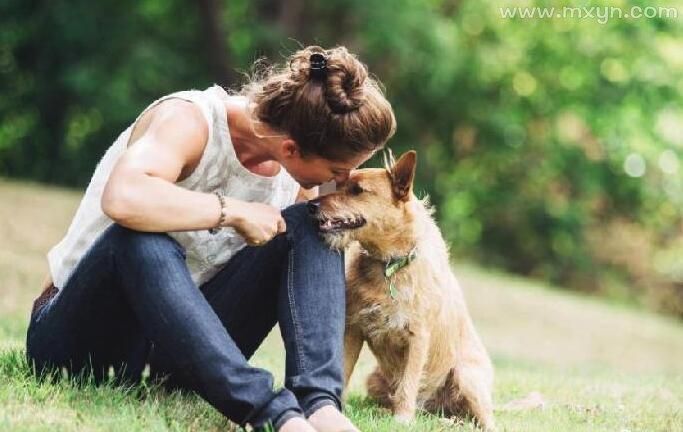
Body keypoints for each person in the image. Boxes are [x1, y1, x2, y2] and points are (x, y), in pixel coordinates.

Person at [25, 45, 396, 432]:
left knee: (312, 224)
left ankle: (319, 404)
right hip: (83, 342)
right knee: (140, 238)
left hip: (176, 355)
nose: (339, 182)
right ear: (291, 148)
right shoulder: (188, 120)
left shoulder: (293, 174)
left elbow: (302, 271)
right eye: (338, 170)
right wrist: (232, 211)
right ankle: (275, 416)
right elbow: (124, 196)